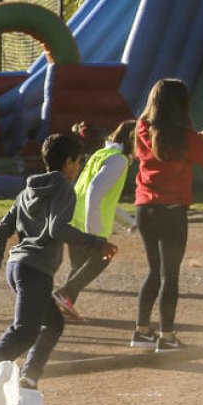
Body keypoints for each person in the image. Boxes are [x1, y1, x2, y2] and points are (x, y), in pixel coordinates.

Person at [0, 134, 118, 388]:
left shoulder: (26, 191)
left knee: (52, 324)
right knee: (24, 332)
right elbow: (57, 229)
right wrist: (98, 243)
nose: (78, 168)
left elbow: (0, 232)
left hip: (16, 266)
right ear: (68, 162)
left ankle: (29, 377)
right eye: (78, 162)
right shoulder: (64, 187)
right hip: (34, 269)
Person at [130, 79, 203, 351]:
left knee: (154, 271)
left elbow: (170, 145)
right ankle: (167, 336)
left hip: (144, 208)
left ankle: (141, 331)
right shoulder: (182, 136)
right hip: (172, 212)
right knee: (169, 275)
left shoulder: (143, 127)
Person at [53, 120, 137, 321]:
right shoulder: (119, 160)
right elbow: (95, 192)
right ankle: (63, 295)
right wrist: (94, 235)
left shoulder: (103, 154)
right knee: (101, 258)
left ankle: (60, 305)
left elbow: (103, 196)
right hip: (88, 223)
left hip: (74, 217)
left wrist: (129, 222)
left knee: (78, 266)